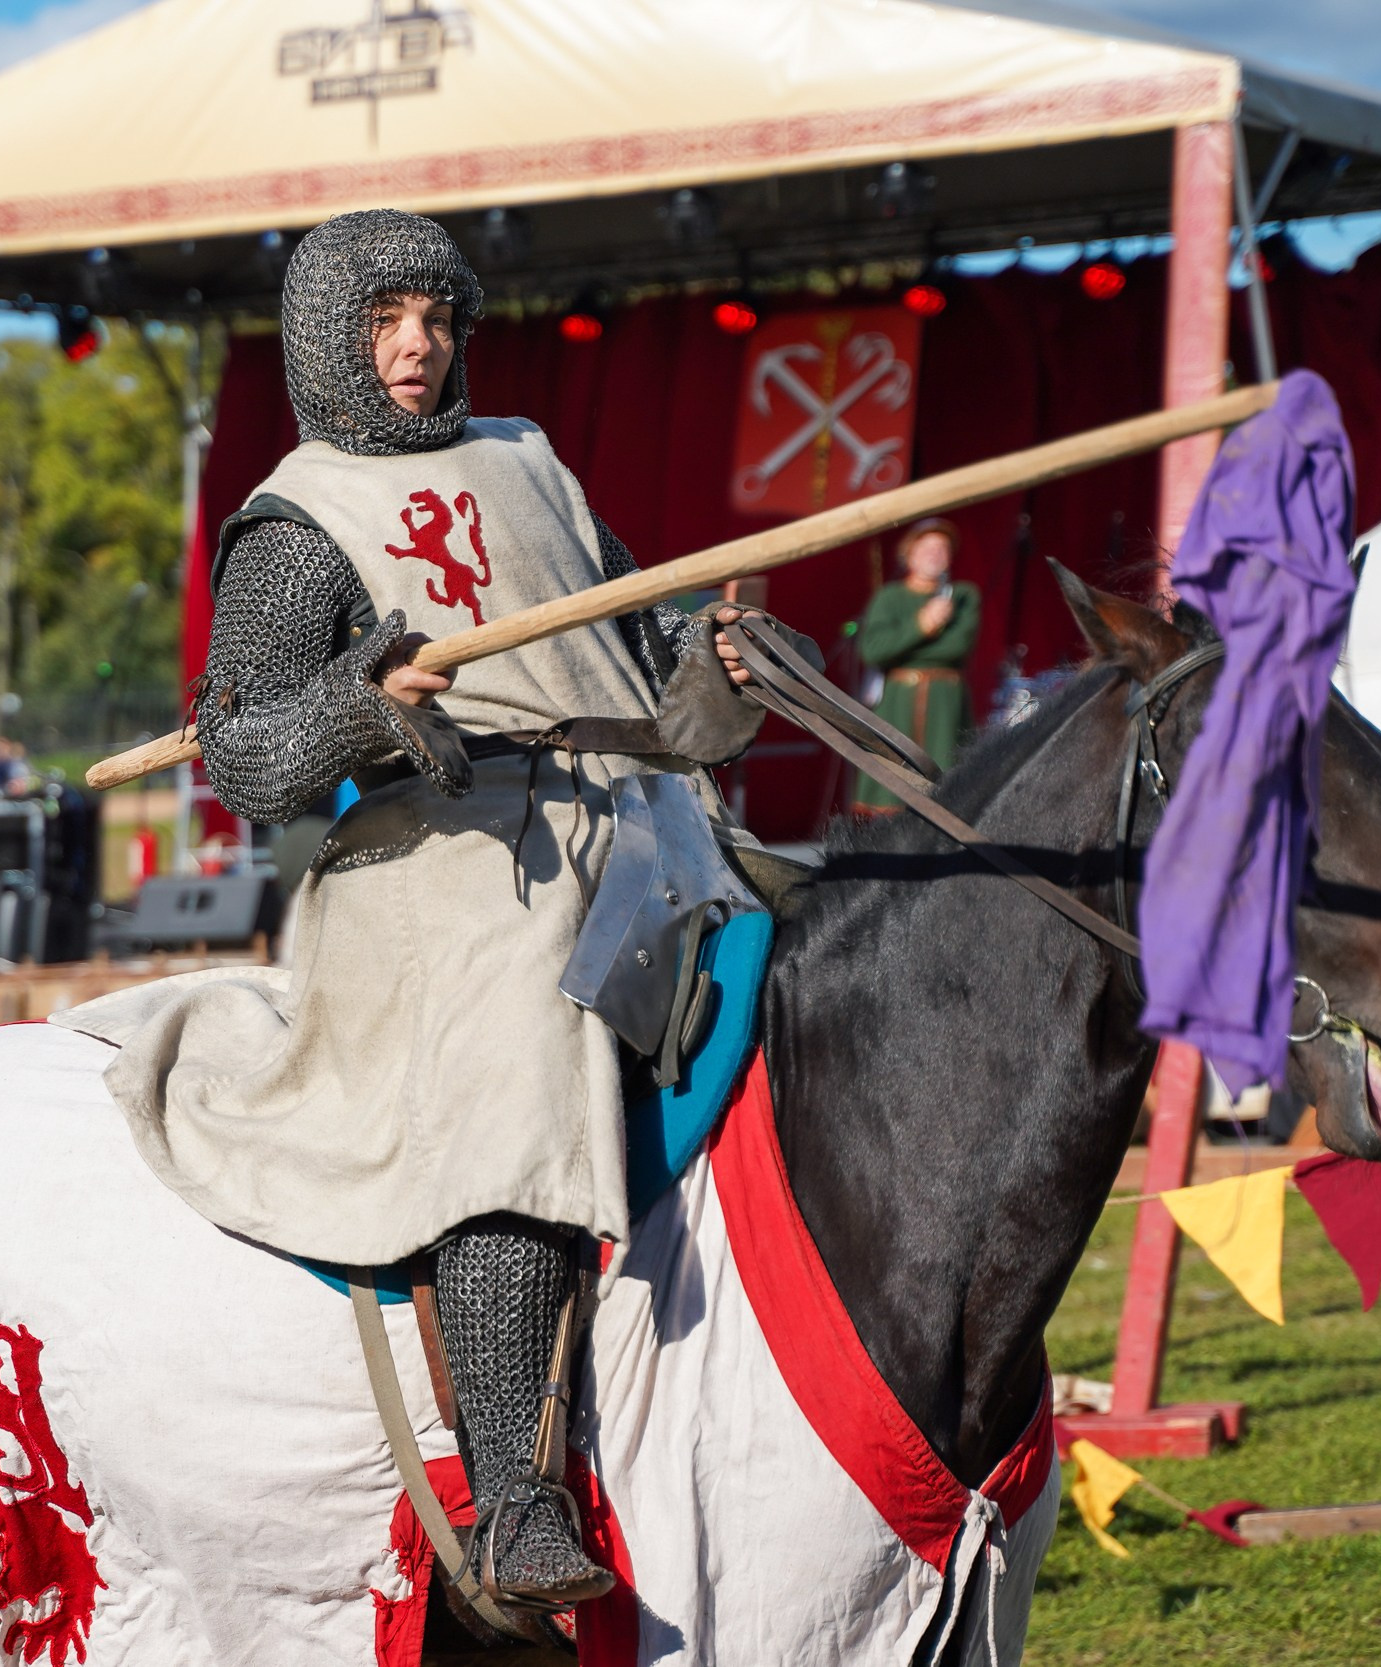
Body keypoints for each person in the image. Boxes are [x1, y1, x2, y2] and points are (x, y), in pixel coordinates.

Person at [96, 210, 793, 1614]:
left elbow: (630, 626)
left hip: (625, 810)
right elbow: (241, 764)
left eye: (434, 318)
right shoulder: (300, 524)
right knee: (512, 1065)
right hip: (450, 853)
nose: (416, 349)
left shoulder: (526, 456)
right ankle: (517, 1493)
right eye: (384, 323)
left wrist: (714, 649)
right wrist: (358, 703)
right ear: (328, 340)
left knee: (816, 930)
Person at [849, 516, 980, 812]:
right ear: (909, 553)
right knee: (892, 784)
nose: (935, 555)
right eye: (927, 548)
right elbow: (874, 651)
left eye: (942, 549)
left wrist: (905, 646)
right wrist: (923, 624)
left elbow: (956, 647)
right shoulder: (889, 597)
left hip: (944, 705)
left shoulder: (963, 596)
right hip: (898, 704)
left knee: (946, 788)